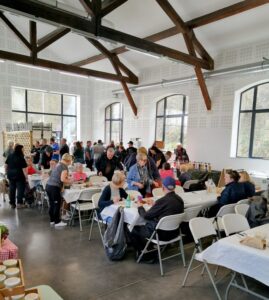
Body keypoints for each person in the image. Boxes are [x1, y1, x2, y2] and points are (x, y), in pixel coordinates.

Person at [129, 176, 184, 260]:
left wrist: (140, 207)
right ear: (175, 187)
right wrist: (156, 205)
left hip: (161, 235)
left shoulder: (162, 201)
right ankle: (152, 250)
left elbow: (146, 216)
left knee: (133, 229)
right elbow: (168, 210)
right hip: (175, 233)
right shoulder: (180, 200)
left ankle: (145, 256)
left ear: (163, 187)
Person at [46, 153, 73, 227]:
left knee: (52, 205)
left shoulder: (58, 164)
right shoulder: (64, 167)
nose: (71, 163)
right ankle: (57, 222)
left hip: (48, 186)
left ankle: (52, 220)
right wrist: (71, 181)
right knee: (57, 205)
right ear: (68, 160)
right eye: (70, 161)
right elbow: (62, 179)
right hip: (54, 187)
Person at [5, 144, 27, 209]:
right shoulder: (21, 157)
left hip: (10, 174)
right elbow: (24, 168)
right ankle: (19, 203)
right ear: (19, 150)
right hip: (19, 175)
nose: (23, 150)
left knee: (12, 189)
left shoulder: (10, 155)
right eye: (22, 149)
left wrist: (6, 172)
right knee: (20, 189)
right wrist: (26, 176)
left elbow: (6, 165)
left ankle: (12, 204)